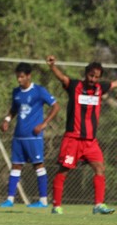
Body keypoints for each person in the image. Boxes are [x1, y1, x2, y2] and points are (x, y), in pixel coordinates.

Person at [46, 55, 116, 215]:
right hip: (73, 139)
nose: (93, 79)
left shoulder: (100, 88)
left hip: (90, 141)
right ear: (86, 74)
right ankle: (56, 206)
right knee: (64, 170)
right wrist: (52, 67)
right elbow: (63, 78)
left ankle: (98, 205)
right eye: (91, 75)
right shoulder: (75, 86)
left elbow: (113, 84)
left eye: (97, 77)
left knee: (99, 167)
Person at [0, 62, 60, 209]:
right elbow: (14, 109)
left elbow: (56, 106)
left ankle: (43, 201)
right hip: (18, 136)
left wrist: (44, 124)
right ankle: (10, 200)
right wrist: (7, 120)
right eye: (17, 77)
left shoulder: (39, 91)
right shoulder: (16, 92)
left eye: (21, 77)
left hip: (34, 136)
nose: (19, 80)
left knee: (38, 165)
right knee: (16, 165)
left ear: (28, 76)